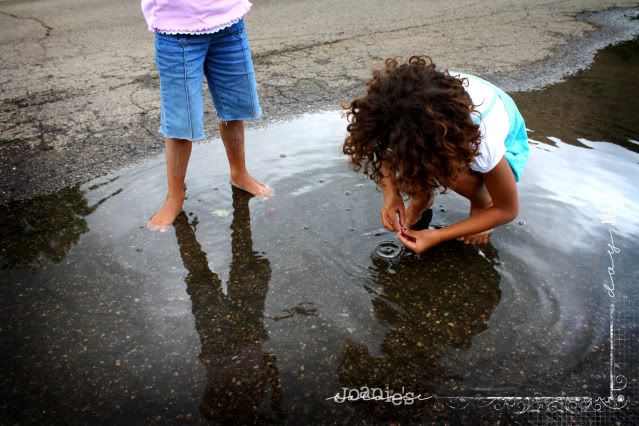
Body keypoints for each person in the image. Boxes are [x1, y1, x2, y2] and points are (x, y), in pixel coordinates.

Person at [343, 56, 529, 253]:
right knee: (408, 154)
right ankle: (422, 197)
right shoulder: (395, 111)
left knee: (453, 172)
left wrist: (438, 235)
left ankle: (482, 205)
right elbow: (381, 147)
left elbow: (507, 209)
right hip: (443, 122)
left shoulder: (484, 140)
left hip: (504, 137)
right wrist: (391, 194)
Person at [141, 0, 273, 231]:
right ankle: (175, 196)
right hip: (177, 26)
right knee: (181, 123)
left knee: (234, 109)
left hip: (228, 20)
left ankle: (239, 174)